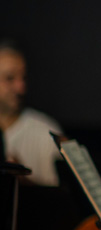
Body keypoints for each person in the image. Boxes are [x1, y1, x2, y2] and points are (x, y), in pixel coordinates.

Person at [0, 41, 63, 186]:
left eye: (24, 78)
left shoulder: (46, 132)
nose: (20, 87)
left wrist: (22, 182)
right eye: (10, 78)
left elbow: (61, 195)